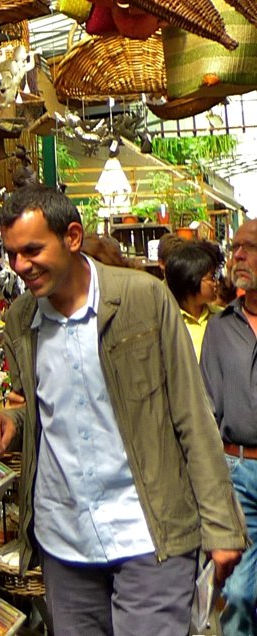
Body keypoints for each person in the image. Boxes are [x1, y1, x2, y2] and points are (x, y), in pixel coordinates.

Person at [0, 184, 243, 636]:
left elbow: (191, 414)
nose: (21, 266)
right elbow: (42, 411)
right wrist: (12, 423)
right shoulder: (23, 319)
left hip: (148, 533)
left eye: (32, 250)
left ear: (73, 237)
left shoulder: (142, 298)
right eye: (12, 254)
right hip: (65, 543)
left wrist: (222, 528)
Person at [199, 219, 257, 636]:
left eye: (249, 248)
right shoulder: (219, 329)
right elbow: (207, 412)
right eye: (235, 247)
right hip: (238, 472)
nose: (237, 256)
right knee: (238, 596)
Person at [165, 238, 224, 358]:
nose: (216, 283)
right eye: (211, 278)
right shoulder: (168, 323)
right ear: (191, 279)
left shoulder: (223, 317)